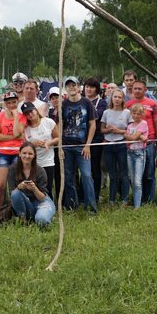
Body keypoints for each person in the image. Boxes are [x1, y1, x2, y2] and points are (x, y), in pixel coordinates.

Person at [61, 76, 97, 212]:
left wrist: (88, 145)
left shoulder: (87, 102)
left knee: (87, 176)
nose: (72, 87)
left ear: (78, 87)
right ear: (66, 88)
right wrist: (61, 146)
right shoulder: (63, 104)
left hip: (82, 147)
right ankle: (71, 205)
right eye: (69, 85)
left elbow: (92, 124)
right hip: (67, 147)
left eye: (74, 85)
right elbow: (60, 126)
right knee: (69, 177)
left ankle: (91, 208)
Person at [125, 80, 157, 204]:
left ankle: (149, 199)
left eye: (140, 88)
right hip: (132, 145)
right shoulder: (128, 105)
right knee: (134, 175)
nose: (137, 91)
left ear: (145, 90)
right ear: (132, 90)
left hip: (149, 143)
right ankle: (137, 199)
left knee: (149, 173)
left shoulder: (153, 104)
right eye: (135, 88)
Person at [0, 91, 26, 210]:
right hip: (3, 154)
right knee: (0, 185)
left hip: (17, 154)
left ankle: (15, 210)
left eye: (14, 102)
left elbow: (19, 132)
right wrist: (14, 137)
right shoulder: (0, 116)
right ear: (5, 104)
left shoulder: (22, 117)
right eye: (9, 103)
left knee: (15, 185)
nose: (12, 105)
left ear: (17, 102)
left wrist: (16, 116)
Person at [8, 141, 55, 226]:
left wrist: (35, 189)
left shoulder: (40, 171)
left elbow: (42, 198)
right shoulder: (12, 169)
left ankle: (43, 215)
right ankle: (23, 219)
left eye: (30, 154)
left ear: (34, 155)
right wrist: (19, 187)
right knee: (15, 193)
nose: (27, 156)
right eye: (24, 153)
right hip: (26, 202)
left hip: (41, 202)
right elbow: (12, 194)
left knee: (41, 220)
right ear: (19, 154)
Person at [101, 89, 131, 204]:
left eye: (119, 97)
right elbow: (102, 130)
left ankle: (124, 199)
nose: (117, 99)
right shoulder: (106, 112)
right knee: (112, 174)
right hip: (108, 145)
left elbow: (130, 130)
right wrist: (108, 130)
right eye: (115, 97)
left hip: (121, 144)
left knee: (123, 173)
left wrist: (117, 130)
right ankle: (111, 199)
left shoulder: (127, 113)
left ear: (123, 99)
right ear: (111, 98)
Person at [22, 101, 58, 196]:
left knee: (48, 187)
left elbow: (58, 138)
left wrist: (49, 143)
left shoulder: (48, 122)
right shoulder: (25, 129)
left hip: (48, 161)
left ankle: (50, 207)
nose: (30, 114)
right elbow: (24, 146)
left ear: (36, 110)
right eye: (26, 113)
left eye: (31, 111)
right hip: (33, 163)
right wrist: (31, 144)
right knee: (34, 188)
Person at [83, 78, 107, 196]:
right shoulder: (81, 101)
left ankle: (96, 194)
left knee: (94, 167)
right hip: (81, 138)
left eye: (91, 87)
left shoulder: (101, 103)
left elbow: (98, 116)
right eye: (87, 86)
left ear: (97, 89)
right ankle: (83, 193)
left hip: (96, 138)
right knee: (83, 169)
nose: (88, 89)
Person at [125, 103, 149, 208]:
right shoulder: (130, 126)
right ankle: (135, 201)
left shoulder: (143, 123)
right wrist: (140, 137)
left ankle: (137, 207)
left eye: (139, 113)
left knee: (137, 181)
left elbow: (132, 137)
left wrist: (130, 136)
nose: (136, 115)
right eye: (134, 113)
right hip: (130, 153)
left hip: (139, 153)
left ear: (142, 114)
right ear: (131, 114)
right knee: (132, 178)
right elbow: (128, 140)